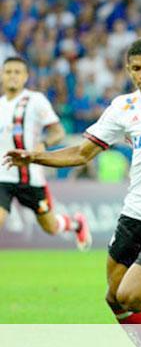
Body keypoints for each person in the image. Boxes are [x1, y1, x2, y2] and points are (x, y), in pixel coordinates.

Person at [4, 38, 141, 347]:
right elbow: (82, 153)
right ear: (128, 71)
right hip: (132, 214)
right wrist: (36, 156)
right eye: (136, 69)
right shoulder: (123, 107)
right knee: (114, 298)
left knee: (131, 296)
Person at [0, 56, 91, 250]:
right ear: (2, 75)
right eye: (8, 72)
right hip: (3, 176)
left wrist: (43, 144)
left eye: (17, 72)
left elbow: (58, 132)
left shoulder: (35, 100)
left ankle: (76, 224)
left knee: (51, 227)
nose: (12, 76)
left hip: (31, 177)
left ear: (25, 76)